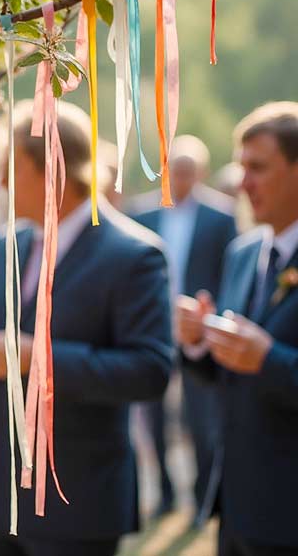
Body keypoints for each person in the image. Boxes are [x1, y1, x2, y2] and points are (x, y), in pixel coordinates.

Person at [0, 99, 173, 556]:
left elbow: (150, 371)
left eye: (11, 166)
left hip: (75, 499)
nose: (3, 182)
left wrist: (42, 359)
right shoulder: (9, 244)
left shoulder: (134, 255)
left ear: (53, 167)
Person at [176, 102, 298, 556]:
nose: (242, 183)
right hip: (238, 508)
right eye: (241, 167)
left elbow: (262, 361)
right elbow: (231, 374)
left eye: (259, 168)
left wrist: (269, 359)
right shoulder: (244, 252)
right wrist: (197, 345)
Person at [130, 135, 236, 520]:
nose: (182, 177)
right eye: (176, 169)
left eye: (189, 171)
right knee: (152, 414)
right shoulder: (141, 214)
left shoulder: (222, 216)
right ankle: (165, 493)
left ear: (202, 173)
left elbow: (230, 274)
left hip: (199, 331)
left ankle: (202, 494)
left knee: (201, 415)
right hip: (153, 326)